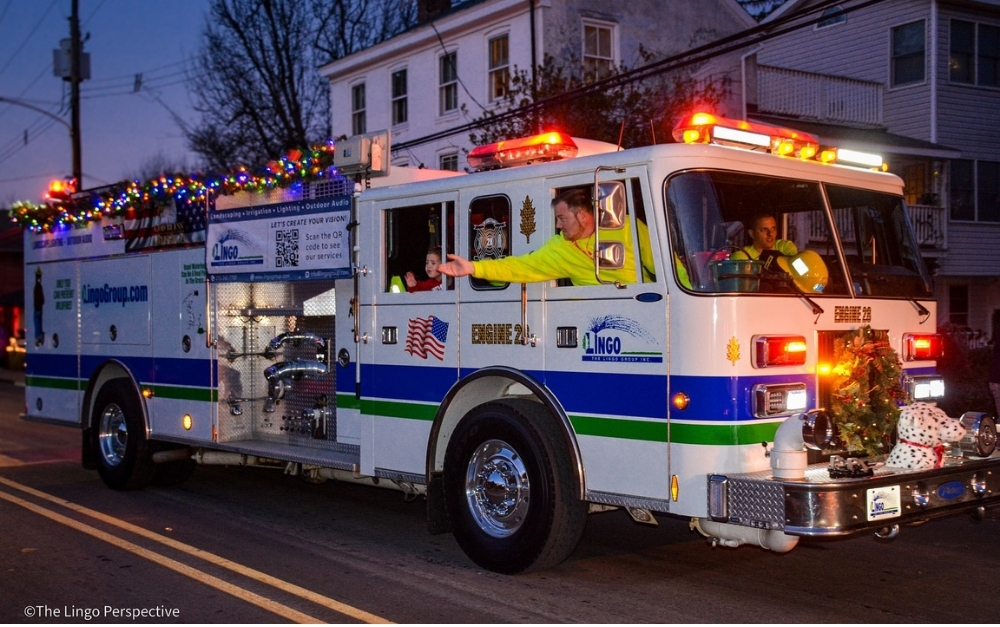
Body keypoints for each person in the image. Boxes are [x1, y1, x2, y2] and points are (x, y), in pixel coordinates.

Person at [438, 189, 636, 286]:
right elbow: (520, 267)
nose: (558, 226)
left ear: (583, 216)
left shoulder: (625, 226)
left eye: (562, 219)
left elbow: (654, 259)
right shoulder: (560, 247)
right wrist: (474, 267)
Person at [732, 213, 797, 261]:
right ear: (752, 234)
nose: (770, 234)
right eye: (764, 230)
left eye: (773, 229)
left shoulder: (785, 247)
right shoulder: (742, 256)